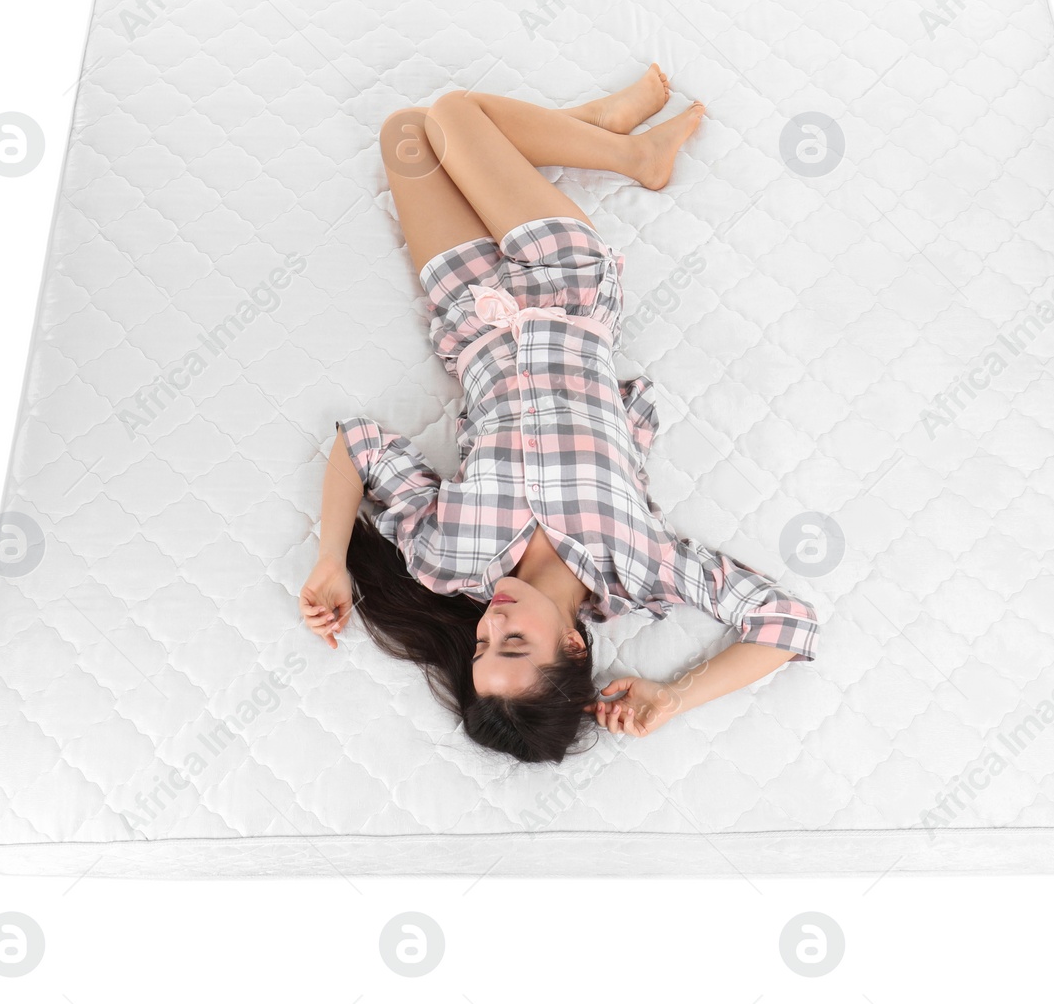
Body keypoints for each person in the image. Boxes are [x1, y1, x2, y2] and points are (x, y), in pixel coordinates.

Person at [299, 67, 819, 763]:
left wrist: (330, 556)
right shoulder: (641, 566)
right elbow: (788, 623)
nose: (494, 622)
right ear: (573, 644)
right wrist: (673, 694)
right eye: (516, 641)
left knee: (404, 136)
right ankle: (630, 153)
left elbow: (357, 443)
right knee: (452, 113)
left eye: (482, 643)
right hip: (567, 291)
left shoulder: (445, 558)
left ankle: (576, 129)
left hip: (469, 315)